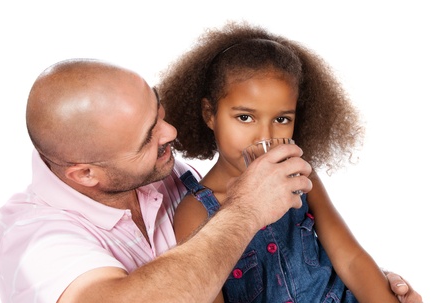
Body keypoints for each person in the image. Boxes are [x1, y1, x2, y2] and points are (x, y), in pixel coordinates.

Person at [0, 59, 419, 303]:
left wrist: (359, 286)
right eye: (149, 137)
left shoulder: (165, 175)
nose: (171, 134)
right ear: (85, 174)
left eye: (158, 112)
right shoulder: (32, 237)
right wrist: (246, 210)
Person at [158, 22, 422, 303]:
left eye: (281, 119)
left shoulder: (301, 177)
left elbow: (351, 260)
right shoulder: (195, 212)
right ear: (210, 114)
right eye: (245, 117)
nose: (265, 136)